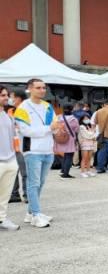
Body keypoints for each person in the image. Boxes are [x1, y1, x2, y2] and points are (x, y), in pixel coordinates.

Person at [14, 78, 59, 228]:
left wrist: (56, 128)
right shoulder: (23, 108)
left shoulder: (47, 107)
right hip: (32, 151)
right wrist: (49, 129)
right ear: (30, 89)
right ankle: (36, 214)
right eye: (38, 88)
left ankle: (31, 213)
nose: (42, 90)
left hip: (48, 150)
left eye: (44, 88)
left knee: (40, 183)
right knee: (33, 183)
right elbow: (26, 131)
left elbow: (55, 125)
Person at [0, 86, 20, 230]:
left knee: (4, 195)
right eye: (2, 95)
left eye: (6, 95)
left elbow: (14, 137)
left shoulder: (8, 116)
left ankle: (1, 219)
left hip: (10, 160)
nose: (6, 98)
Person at [54, 103, 79, 179]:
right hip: (70, 138)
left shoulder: (58, 117)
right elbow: (77, 129)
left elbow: (55, 127)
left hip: (61, 138)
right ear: (71, 109)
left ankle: (63, 170)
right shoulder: (74, 119)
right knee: (69, 156)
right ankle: (66, 173)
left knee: (64, 155)